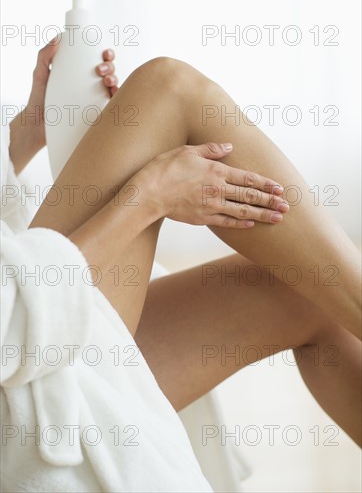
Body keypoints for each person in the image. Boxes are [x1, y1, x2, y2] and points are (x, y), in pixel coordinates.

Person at [1, 42, 360, 492]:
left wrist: (27, 132)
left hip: (28, 331)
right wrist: (147, 198)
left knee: (310, 289)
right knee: (167, 88)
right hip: (18, 380)